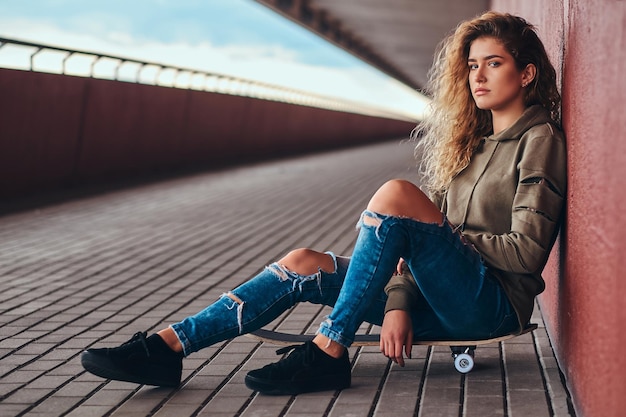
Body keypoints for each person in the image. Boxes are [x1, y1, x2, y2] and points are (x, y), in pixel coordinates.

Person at [81, 11, 567, 396]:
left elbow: (524, 254)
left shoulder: (538, 139)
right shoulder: (473, 146)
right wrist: (399, 300)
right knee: (302, 263)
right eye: (472, 65)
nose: (477, 76)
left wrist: (441, 238)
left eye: (494, 63)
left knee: (397, 195)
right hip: (442, 298)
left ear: (526, 73)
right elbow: (415, 245)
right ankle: (167, 348)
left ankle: (329, 349)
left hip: (491, 306)